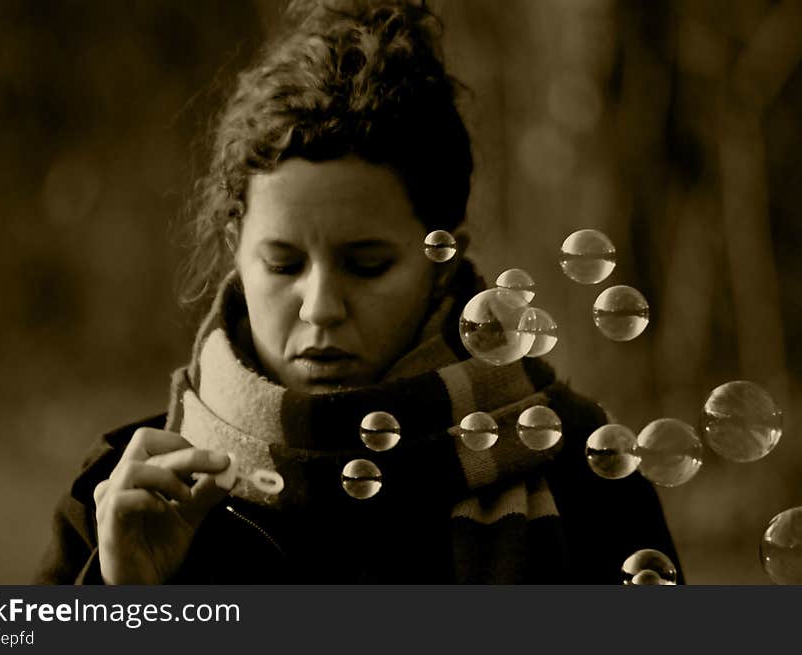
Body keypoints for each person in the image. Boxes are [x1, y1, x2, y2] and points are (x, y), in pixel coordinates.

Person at [34, 0, 682, 585]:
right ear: (235, 247)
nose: (320, 307)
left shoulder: (581, 473)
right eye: (283, 264)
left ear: (443, 261)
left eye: (367, 265)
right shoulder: (127, 495)